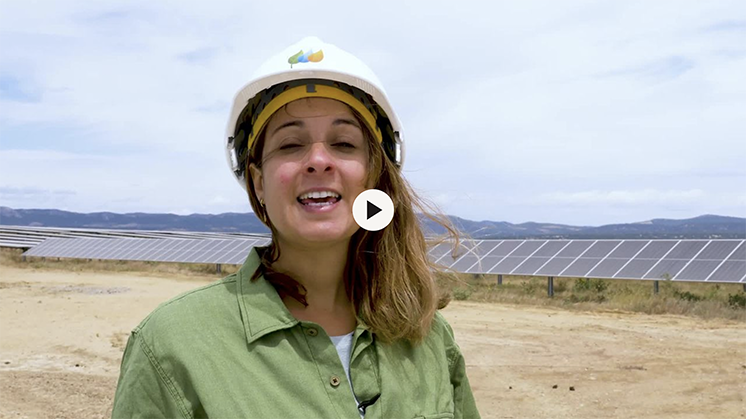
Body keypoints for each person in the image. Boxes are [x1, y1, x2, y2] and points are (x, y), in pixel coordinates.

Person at [111, 36, 480, 418]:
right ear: (258, 183)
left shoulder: (427, 335)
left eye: (344, 142)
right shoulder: (173, 344)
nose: (318, 160)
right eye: (290, 145)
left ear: (374, 177)